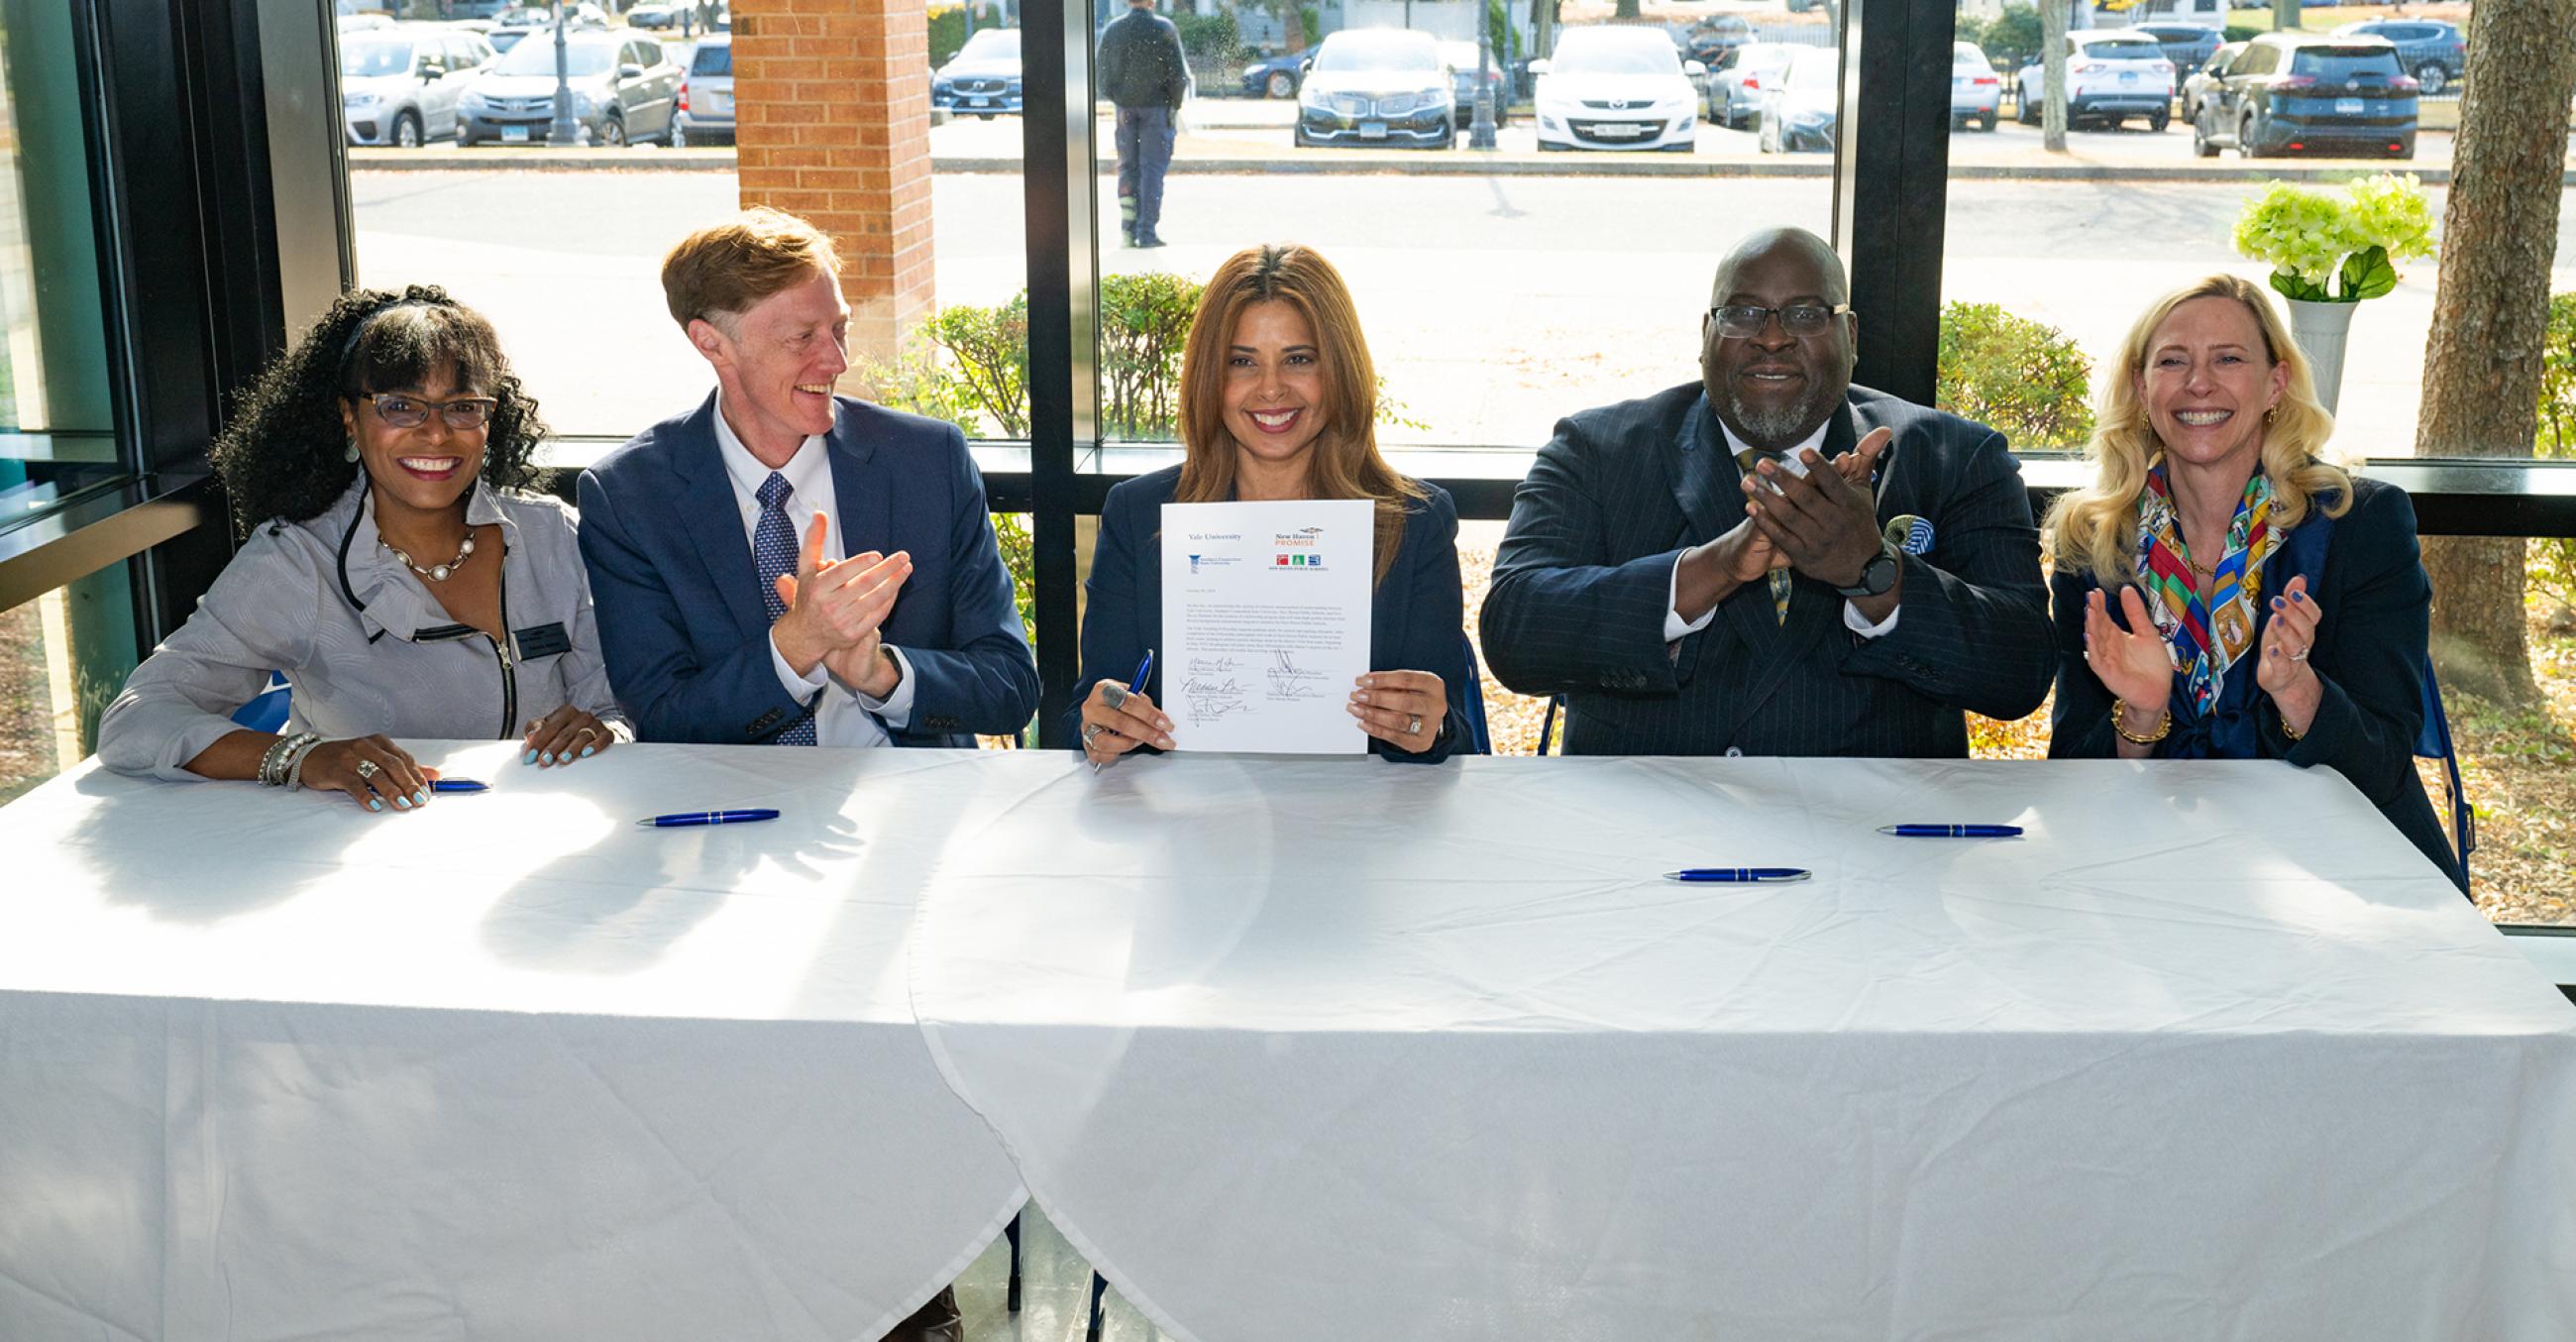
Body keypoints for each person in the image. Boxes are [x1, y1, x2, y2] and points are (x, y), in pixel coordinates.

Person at [1480, 226, 2054, 756]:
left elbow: (2020, 670)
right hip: (1647, 829)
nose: (1773, 338)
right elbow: (1516, 632)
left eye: (1805, 314)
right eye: (1743, 313)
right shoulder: (1597, 449)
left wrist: (1874, 572)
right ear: (1706, 334)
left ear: (1849, 335)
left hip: (1875, 836)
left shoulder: (1955, 458)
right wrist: (1715, 568)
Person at [97, 286, 625, 811]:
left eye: (462, 408)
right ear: (349, 417)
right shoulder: (297, 561)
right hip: (362, 857)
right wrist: (302, 757)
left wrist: (606, 727)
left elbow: (618, 699)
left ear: (490, 421)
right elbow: (138, 718)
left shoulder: (555, 535)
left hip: (540, 838)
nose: (437, 434)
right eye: (401, 407)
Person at [2047, 274, 2465, 890]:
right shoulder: (2096, 541)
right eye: (2173, 361)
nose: (2198, 383)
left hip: (2340, 880)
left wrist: (2298, 690)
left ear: (2276, 382)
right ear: (2141, 389)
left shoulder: (2359, 525)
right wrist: (2140, 714)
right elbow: (2071, 773)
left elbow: (2384, 763)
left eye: (2228, 358)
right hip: (2148, 869)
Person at [578, 208, 1037, 760]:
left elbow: (1011, 688)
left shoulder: (926, 461)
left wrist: (882, 674)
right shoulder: (630, 497)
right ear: (712, 343)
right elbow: (660, 718)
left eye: (839, 328)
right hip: (727, 817)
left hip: (910, 805)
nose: (837, 360)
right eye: (803, 337)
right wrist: (797, 646)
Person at [1075, 242, 1473, 765]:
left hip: (1360, 823)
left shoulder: (1415, 522)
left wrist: (1432, 726)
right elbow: (1081, 722)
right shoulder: (1138, 514)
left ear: (1339, 370)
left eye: (1299, 359)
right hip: (1187, 823)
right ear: (1209, 379)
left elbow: (1454, 734)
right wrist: (1099, 728)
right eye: (1241, 362)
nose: (1270, 389)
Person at [1097, 0, 1187, 249]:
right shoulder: (1163, 28)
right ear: (1152, 2)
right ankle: (1147, 231)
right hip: (1156, 110)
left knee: (1127, 167)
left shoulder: (1114, 30)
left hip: (1125, 109)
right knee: (1152, 170)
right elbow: (1178, 75)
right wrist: (1173, 105)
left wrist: (1120, 99)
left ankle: (1128, 228)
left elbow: (1102, 75)